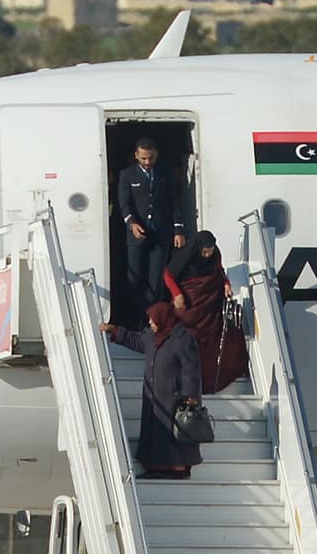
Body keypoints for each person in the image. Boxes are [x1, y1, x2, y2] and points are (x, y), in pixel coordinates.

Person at [100, 303, 203, 479]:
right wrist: (116, 331)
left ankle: (178, 468)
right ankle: (157, 467)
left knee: (173, 432)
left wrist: (191, 396)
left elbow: (190, 369)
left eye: (153, 319)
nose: (150, 322)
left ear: (163, 318)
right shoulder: (152, 336)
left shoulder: (182, 339)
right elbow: (136, 340)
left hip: (174, 397)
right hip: (155, 395)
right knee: (157, 431)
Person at [163, 230, 249, 393]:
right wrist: (177, 294)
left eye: (210, 250)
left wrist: (226, 284)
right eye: (205, 251)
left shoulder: (215, 254)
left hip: (209, 304)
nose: (208, 254)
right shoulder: (186, 256)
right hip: (191, 300)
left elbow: (219, 270)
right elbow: (168, 274)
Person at [117, 137, 184, 327]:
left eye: (151, 159)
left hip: (160, 234)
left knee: (156, 281)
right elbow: (124, 203)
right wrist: (131, 223)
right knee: (135, 279)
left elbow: (174, 202)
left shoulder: (164, 173)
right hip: (137, 234)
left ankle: (151, 322)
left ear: (156, 156)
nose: (147, 163)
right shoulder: (127, 175)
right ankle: (136, 320)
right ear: (136, 156)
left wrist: (178, 229)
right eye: (144, 159)